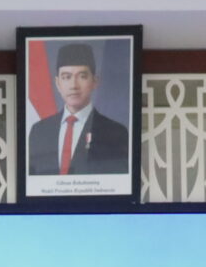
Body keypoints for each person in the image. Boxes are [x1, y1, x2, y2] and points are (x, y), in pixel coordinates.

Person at [26, 41, 129, 176]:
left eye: (82, 76)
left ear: (95, 81)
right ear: (57, 83)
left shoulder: (115, 133)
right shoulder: (39, 131)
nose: (74, 85)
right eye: (66, 77)